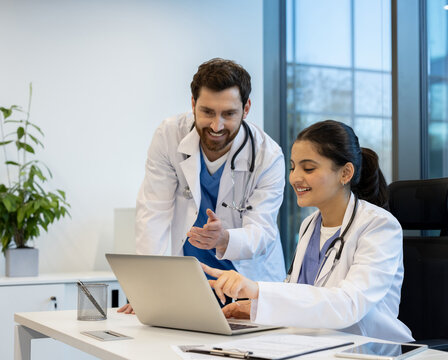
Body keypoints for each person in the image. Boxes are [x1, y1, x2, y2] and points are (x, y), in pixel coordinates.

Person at [202, 120, 413, 342]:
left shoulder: (379, 227)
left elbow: (348, 305)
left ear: (345, 173)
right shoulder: (310, 225)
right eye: (293, 167)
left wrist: (258, 291)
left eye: (308, 168)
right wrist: (255, 308)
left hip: (368, 349)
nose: (294, 178)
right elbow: (301, 297)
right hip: (315, 344)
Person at [119, 58, 286, 313]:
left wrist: (224, 238)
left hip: (246, 282)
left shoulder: (268, 156)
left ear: (246, 108)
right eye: (207, 112)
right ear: (193, 104)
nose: (216, 126)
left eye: (229, 114)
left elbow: (262, 231)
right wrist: (146, 288)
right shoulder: (169, 136)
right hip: (190, 280)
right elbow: (153, 214)